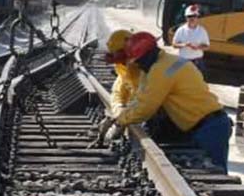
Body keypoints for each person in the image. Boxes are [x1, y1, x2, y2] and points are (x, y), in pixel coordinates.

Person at [95, 31, 232, 172]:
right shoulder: (163, 63)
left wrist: (119, 122)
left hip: (210, 127)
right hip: (201, 125)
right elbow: (140, 98)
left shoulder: (161, 70)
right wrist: (119, 115)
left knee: (214, 172)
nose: (138, 66)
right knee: (206, 171)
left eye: (139, 62)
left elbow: (145, 107)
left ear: (147, 56)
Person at [171, 4, 210, 73]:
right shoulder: (181, 30)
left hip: (197, 62)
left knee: (198, 82)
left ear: (197, 17)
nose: (192, 18)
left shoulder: (202, 30)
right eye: (189, 16)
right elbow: (174, 44)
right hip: (182, 60)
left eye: (194, 16)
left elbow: (207, 46)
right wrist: (184, 45)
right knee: (169, 74)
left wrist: (198, 47)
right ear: (186, 18)